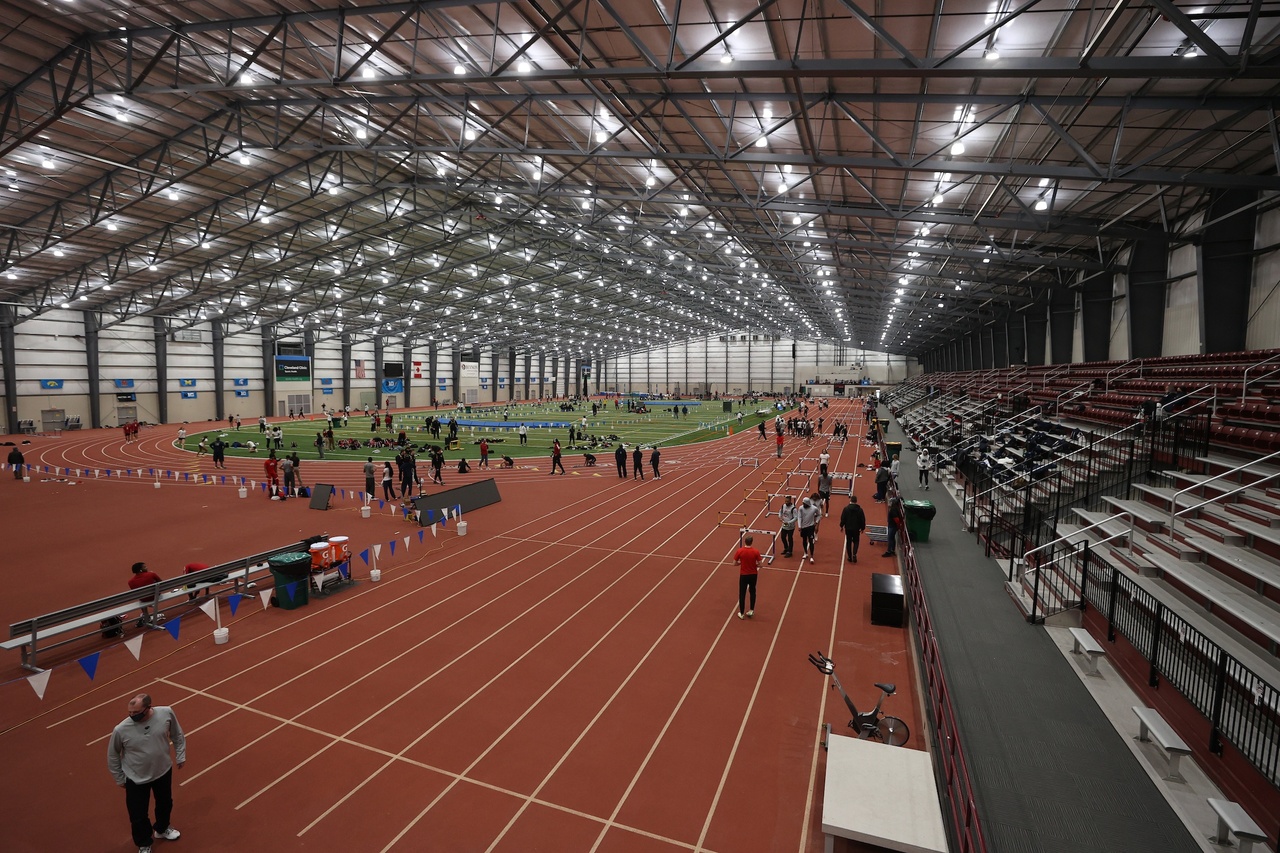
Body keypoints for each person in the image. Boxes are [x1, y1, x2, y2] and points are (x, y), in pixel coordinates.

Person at [108, 692, 186, 853]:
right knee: (138, 814)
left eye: (136, 712)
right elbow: (113, 754)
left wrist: (180, 755)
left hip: (163, 770)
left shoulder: (166, 713)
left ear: (148, 708)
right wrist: (119, 777)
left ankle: (162, 828)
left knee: (165, 803)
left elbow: (177, 734)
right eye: (130, 712)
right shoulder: (121, 729)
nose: (132, 715)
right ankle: (144, 843)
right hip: (135, 777)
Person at [733, 534, 761, 619]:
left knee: (742, 593)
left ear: (744, 541)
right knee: (752, 592)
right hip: (753, 575)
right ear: (751, 542)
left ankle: (741, 613)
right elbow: (760, 564)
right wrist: (754, 565)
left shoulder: (740, 551)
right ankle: (751, 610)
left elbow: (734, 563)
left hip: (744, 575)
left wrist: (741, 563)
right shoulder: (756, 551)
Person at [839, 495, 866, 563]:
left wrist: (841, 526)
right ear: (856, 501)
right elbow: (862, 519)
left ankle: (849, 557)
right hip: (856, 528)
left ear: (850, 500)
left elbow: (843, 518)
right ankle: (854, 554)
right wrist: (862, 528)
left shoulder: (846, 509)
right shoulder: (860, 510)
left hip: (848, 528)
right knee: (856, 541)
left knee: (848, 542)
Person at [798, 496, 821, 564]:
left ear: (807, 503)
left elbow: (819, 515)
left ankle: (812, 556)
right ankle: (805, 553)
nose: (803, 504)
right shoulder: (801, 508)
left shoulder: (814, 508)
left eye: (804, 503)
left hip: (811, 527)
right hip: (803, 527)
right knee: (804, 540)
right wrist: (799, 526)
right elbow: (799, 517)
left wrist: (816, 522)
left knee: (811, 541)